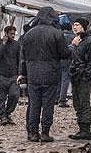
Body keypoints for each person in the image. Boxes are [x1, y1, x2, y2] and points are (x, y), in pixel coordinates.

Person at [18, 7, 72, 142]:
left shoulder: (28, 34)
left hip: (33, 75)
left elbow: (23, 57)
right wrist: (72, 46)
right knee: (48, 104)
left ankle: (32, 133)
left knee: (34, 104)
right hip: (51, 74)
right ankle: (45, 133)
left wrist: (23, 74)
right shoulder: (56, 33)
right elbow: (64, 54)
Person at [68, 18, 91, 140]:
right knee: (77, 103)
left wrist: (87, 75)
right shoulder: (77, 41)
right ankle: (81, 129)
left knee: (83, 102)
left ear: (83, 27)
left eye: (77, 25)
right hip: (75, 76)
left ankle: (86, 130)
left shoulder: (90, 41)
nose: (75, 27)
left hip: (83, 77)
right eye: (74, 25)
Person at [0, 25, 21, 126]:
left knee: (15, 95)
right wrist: (3, 43)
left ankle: (8, 113)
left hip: (13, 75)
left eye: (14, 34)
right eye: (11, 34)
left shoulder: (17, 45)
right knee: (1, 98)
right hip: (2, 74)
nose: (13, 36)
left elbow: (19, 59)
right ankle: (3, 117)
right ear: (6, 34)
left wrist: (20, 73)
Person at [57, 15, 74, 107]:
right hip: (68, 59)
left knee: (59, 78)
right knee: (65, 78)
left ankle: (56, 97)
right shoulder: (73, 36)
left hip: (58, 59)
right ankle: (62, 99)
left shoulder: (58, 35)